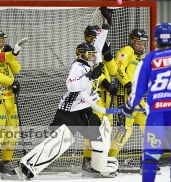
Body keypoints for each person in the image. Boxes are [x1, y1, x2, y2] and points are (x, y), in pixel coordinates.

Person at [16, 42, 118, 180]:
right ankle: (27, 167)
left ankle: (99, 167)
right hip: (71, 111)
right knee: (61, 140)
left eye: (94, 55)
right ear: (82, 55)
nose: (94, 57)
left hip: (86, 111)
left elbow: (98, 46)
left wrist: (106, 26)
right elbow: (71, 85)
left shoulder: (91, 62)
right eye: (91, 55)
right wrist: (89, 76)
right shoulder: (78, 67)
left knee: (101, 135)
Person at [120, 22, 171, 182]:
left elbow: (138, 89)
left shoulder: (149, 59)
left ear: (155, 39)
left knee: (150, 155)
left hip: (157, 112)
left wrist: (129, 107)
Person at [0, 25, 26, 179]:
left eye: (3, 41)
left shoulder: (3, 56)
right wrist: (12, 82)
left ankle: (5, 164)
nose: (2, 43)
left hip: (11, 99)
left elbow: (17, 68)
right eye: (0, 41)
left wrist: (11, 54)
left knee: (12, 133)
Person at [81, 8, 119, 177]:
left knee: (107, 130)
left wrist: (108, 55)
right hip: (94, 97)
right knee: (94, 130)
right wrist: (105, 83)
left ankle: (101, 161)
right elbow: (93, 73)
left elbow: (113, 71)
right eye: (89, 38)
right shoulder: (84, 52)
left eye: (94, 38)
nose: (92, 41)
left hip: (106, 98)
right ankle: (87, 160)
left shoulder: (101, 50)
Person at [108, 28, 149, 171]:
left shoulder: (142, 57)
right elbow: (117, 69)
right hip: (125, 95)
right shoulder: (126, 50)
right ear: (131, 41)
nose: (140, 46)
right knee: (125, 130)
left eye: (143, 43)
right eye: (138, 43)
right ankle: (109, 159)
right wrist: (127, 83)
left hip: (138, 98)